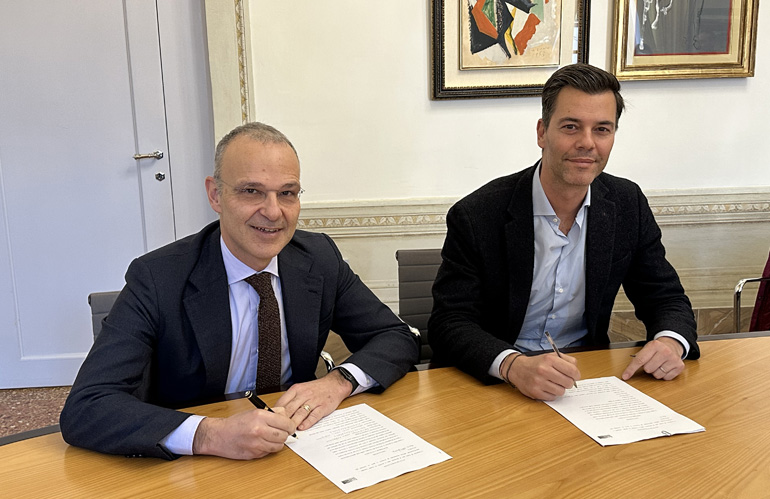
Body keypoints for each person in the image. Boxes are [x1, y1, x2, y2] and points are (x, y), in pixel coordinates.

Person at [60, 122, 420, 460]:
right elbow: (87, 406)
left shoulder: (318, 258)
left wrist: (337, 382)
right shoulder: (158, 277)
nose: (273, 212)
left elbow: (396, 336)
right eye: (252, 191)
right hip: (194, 464)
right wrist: (210, 434)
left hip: (296, 448)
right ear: (215, 195)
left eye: (287, 193)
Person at [428, 63, 699, 401]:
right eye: (571, 127)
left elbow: (665, 298)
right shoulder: (477, 214)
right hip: (496, 383)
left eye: (602, 129)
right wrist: (512, 365)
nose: (587, 143)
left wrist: (670, 341)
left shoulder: (626, 203)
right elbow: (449, 322)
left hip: (586, 380)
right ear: (542, 132)